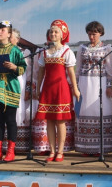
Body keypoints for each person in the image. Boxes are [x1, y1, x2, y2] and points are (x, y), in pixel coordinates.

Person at [35, 19, 81, 162]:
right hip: (48, 89)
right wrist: (38, 88)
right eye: (51, 31)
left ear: (62, 35)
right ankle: (52, 151)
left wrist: (75, 89)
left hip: (61, 89)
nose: (53, 34)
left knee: (60, 121)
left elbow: (71, 72)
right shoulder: (44, 53)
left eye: (56, 32)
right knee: (49, 121)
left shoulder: (66, 51)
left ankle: (60, 151)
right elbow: (40, 73)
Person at [0, 21, 27, 162]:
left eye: (2, 30)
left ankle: (11, 151)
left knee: (10, 120)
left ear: (9, 34)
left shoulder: (15, 50)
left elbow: (22, 68)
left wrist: (14, 67)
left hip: (10, 88)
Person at [75, 21, 112, 156]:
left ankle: (101, 147)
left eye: (94, 34)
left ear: (100, 33)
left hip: (100, 83)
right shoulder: (82, 48)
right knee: (84, 110)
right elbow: (78, 68)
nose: (91, 37)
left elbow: (110, 70)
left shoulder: (107, 48)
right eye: (89, 34)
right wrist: (76, 86)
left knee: (100, 112)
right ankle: (86, 147)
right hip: (84, 84)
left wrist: (109, 86)